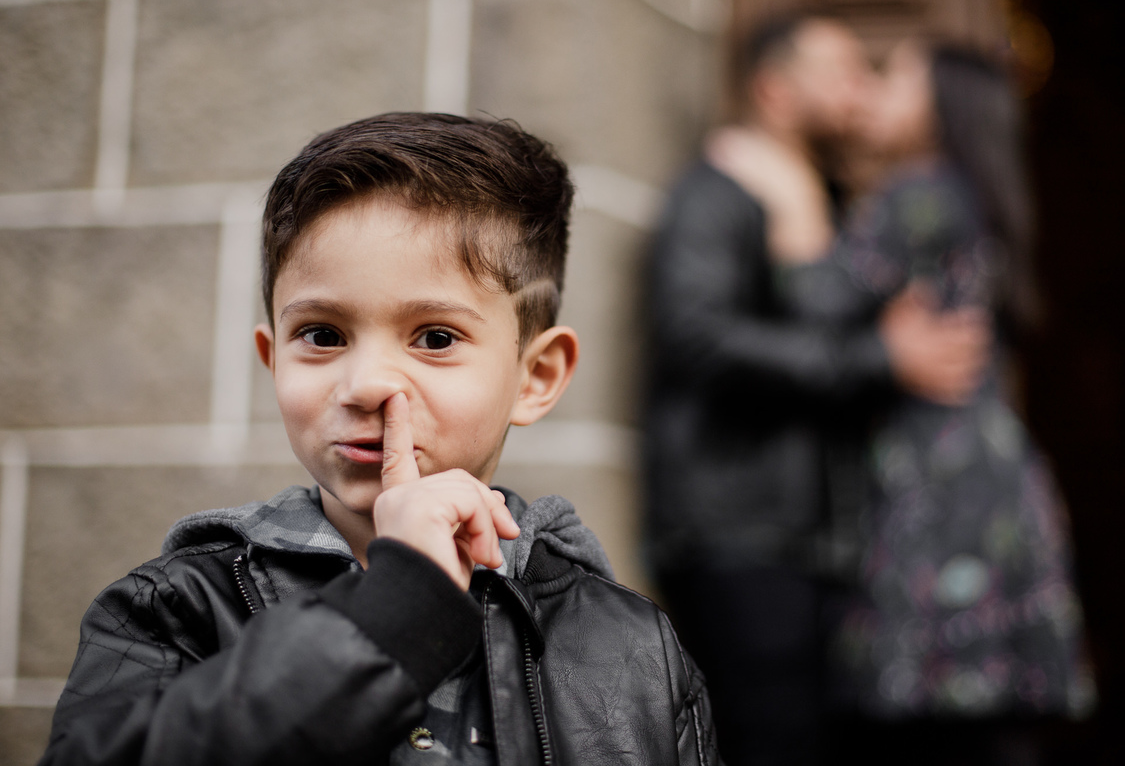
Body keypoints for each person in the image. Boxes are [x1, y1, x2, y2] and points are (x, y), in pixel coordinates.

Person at [39, 113, 721, 766]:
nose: (366, 384)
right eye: (322, 335)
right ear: (273, 361)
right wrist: (393, 612)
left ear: (535, 377)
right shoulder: (178, 607)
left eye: (435, 338)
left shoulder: (632, 645)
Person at [727, 41, 1096, 762]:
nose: (872, 90)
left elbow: (816, 296)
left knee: (939, 728)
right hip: (990, 475)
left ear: (940, 106)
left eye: (893, 76)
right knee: (989, 726)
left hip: (942, 484)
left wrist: (790, 191)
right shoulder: (970, 192)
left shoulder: (919, 192)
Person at [643, 14, 991, 766]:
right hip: (743, 527)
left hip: (819, 538)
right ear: (775, 89)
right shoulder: (717, 191)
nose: (861, 89)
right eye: (841, 72)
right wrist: (878, 358)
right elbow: (698, 338)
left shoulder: (835, 200)